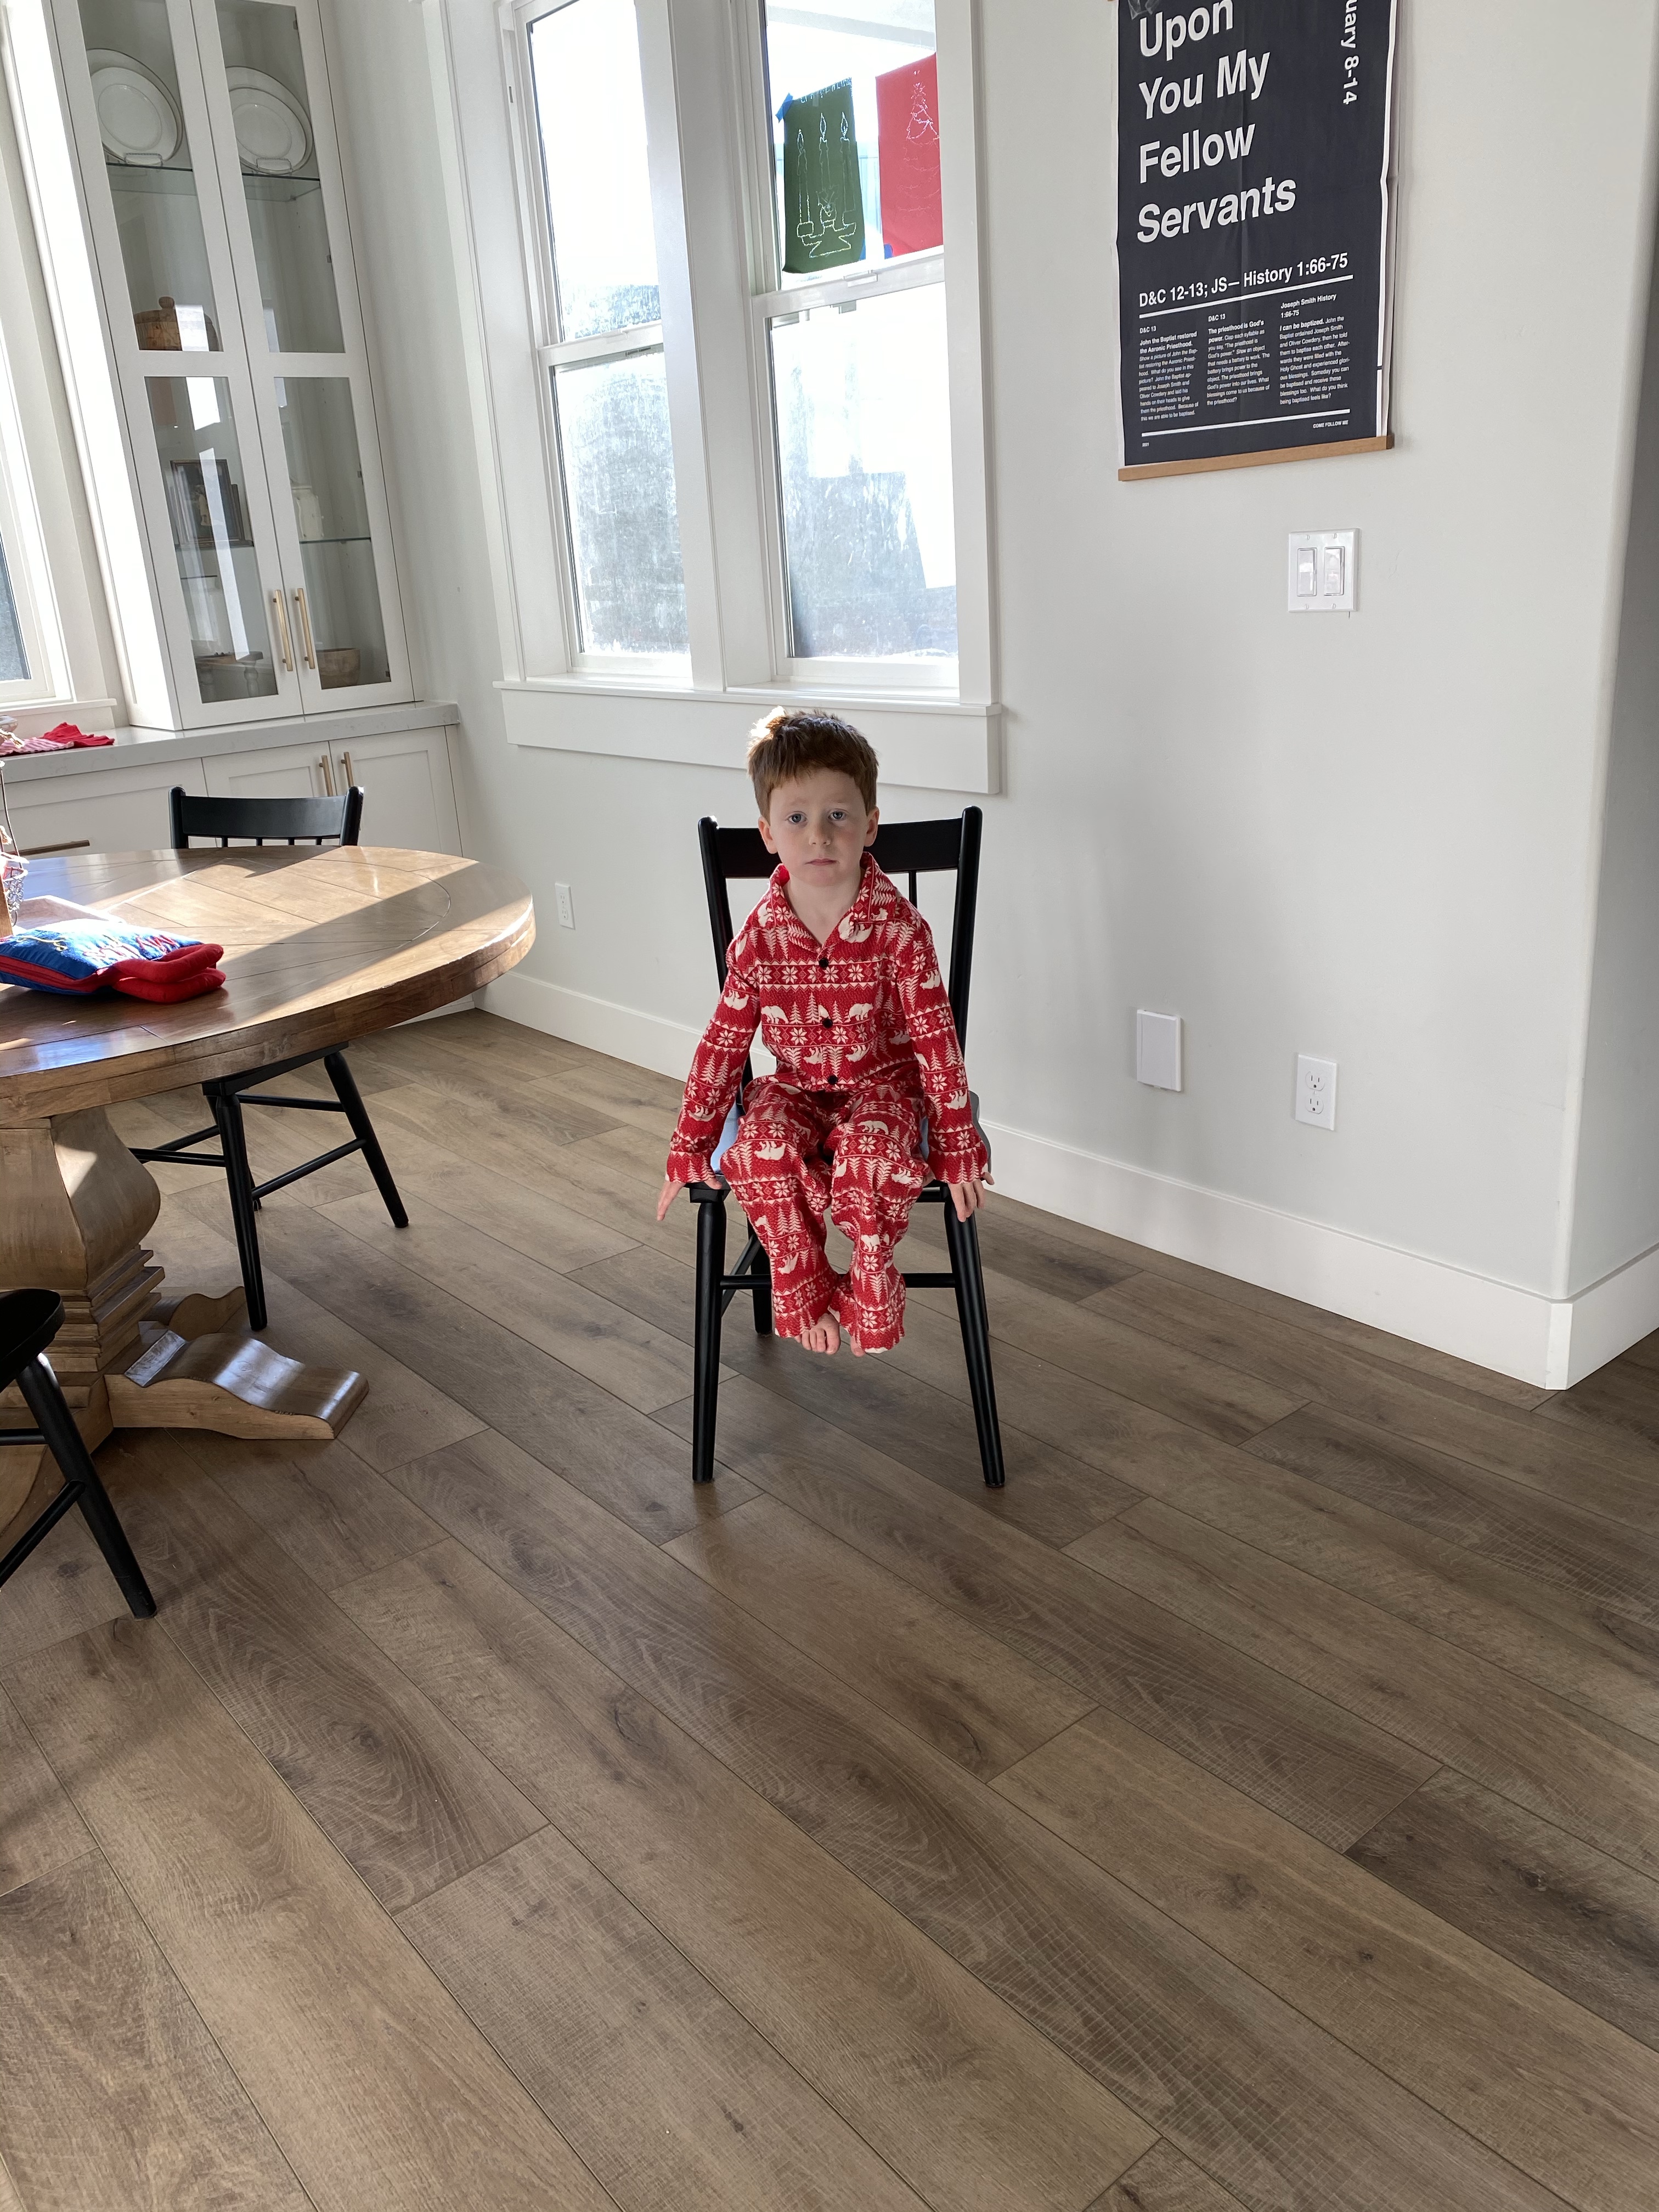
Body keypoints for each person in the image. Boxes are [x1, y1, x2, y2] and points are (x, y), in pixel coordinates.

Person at [658, 708, 989, 1357]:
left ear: (870, 825)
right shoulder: (759, 938)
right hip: (796, 1087)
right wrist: (691, 1143)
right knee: (759, 1152)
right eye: (796, 818)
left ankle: (868, 1285)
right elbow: (723, 1045)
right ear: (767, 833)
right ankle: (806, 1285)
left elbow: (936, 1040)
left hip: (886, 1088)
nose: (818, 835)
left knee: (874, 1158)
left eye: (838, 815)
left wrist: (956, 1141)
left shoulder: (900, 930)